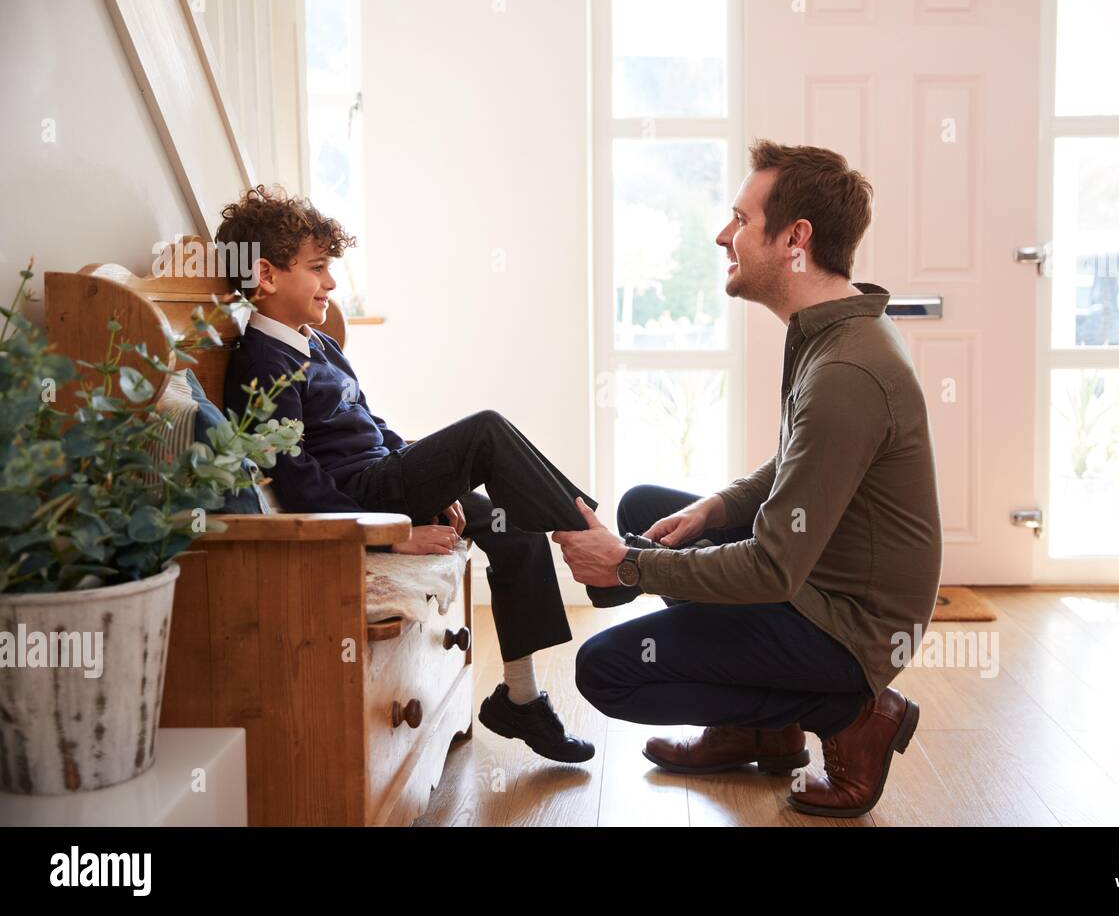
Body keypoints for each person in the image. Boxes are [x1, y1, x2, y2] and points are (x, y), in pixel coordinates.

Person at [554, 141, 943, 817]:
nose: (721, 235)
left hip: (848, 627)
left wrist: (628, 567)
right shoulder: (834, 329)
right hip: (820, 579)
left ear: (795, 239)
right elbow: (798, 461)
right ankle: (762, 725)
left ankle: (850, 711)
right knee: (651, 506)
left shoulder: (845, 373)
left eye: (739, 219)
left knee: (606, 671)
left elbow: (771, 570)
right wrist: (717, 507)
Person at [218, 185, 598, 763]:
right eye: (317, 269)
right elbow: (297, 484)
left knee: (513, 523)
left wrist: (438, 485)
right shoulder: (260, 365)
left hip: (385, 477)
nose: (330, 284)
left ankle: (522, 699)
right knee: (486, 430)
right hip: (363, 499)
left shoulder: (316, 341)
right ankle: (594, 539)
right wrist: (393, 530)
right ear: (265, 276)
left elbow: (372, 424)